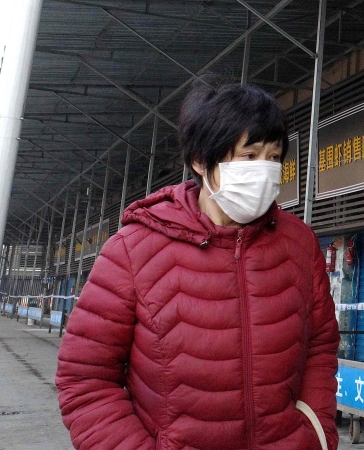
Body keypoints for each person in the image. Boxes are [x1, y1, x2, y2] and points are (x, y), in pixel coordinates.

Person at [56, 82, 339, 450]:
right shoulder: (133, 249)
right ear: (201, 162)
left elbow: (320, 346)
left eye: (273, 157)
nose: (265, 170)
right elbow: (85, 379)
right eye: (249, 156)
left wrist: (315, 435)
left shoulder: (299, 244)